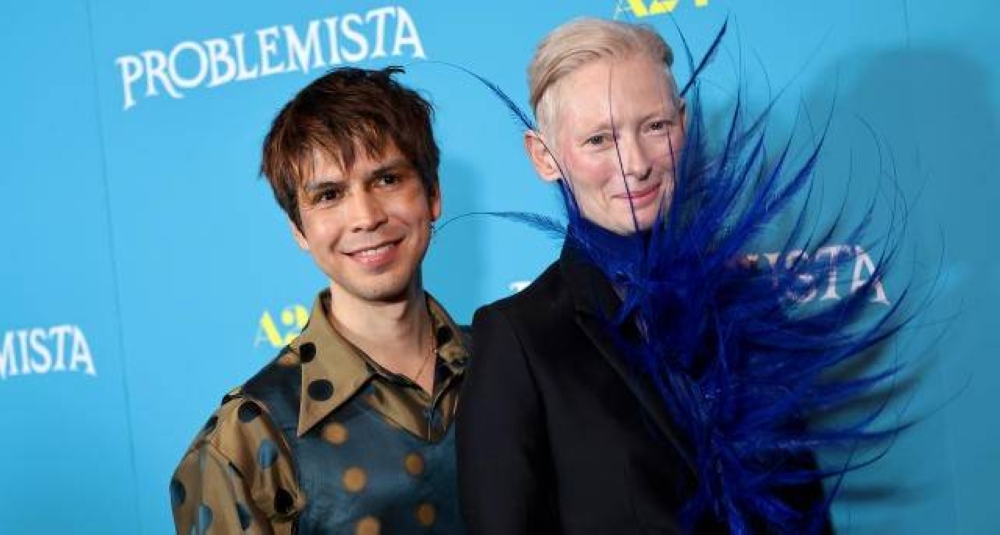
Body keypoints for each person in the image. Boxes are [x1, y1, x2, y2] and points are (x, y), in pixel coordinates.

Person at [457, 18, 836, 534]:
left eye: (655, 126)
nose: (634, 163)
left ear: (683, 123)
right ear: (543, 157)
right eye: (598, 139)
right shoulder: (519, 340)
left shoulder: (745, 300)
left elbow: (804, 508)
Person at [171, 67, 468, 534]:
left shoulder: (511, 361)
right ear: (299, 230)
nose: (366, 217)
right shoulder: (247, 436)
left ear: (432, 195)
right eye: (329, 195)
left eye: (387, 179)